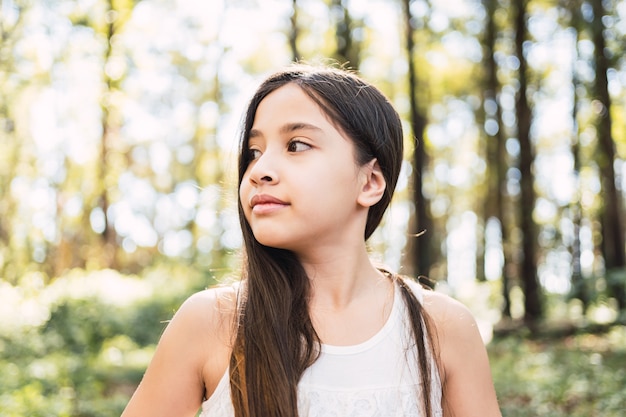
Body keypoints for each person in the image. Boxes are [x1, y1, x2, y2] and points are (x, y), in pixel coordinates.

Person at [121, 63, 502, 417]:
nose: (260, 171)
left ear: (370, 182)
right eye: (254, 152)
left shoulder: (444, 328)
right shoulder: (211, 322)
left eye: (296, 145)